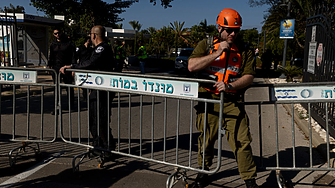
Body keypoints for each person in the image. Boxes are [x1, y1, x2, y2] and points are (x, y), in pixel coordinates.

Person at [188, 8, 258, 188]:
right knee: (206, 139)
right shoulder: (207, 44)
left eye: (237, 30)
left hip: (232, 101)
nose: (233, 33)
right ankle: (203, 172)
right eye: (229, 30)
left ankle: (249, 180)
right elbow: (191, 66)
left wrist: (230, 86)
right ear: (219, 28)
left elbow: (249, 76)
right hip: (208, 100)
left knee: (241, 140)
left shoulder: (245, 50)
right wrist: (217, 53)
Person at [60, 25, 116, 152]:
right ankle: (97, 146)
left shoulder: (103, 47)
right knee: (93, 120)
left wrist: (72, 66)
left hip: (103, 91)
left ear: (94, 35)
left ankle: (108, 147)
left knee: (101, 120)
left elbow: (91, 63)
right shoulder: (96, 48)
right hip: (96, 89)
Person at [48, 27, 76, 115]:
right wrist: (49, 66)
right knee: (57, 87)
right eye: (55, 33)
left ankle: (71, 104)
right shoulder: (53, 44)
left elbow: (73, 56)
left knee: (68, 86)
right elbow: (51, 56)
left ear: (62, 32)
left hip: (66, 67)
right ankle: (57, 106)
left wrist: (73, 68)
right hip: (56, 67)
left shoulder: (69, 43)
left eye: (58, 33)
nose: (57, 35)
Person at [76, 36, 93, 100]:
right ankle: (85, 96)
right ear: (88, 40)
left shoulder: (91, 49)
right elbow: (75, 57)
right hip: (82, 67)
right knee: (83, 83)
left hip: (89, 68)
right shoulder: (80, 48)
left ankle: (88, 95)